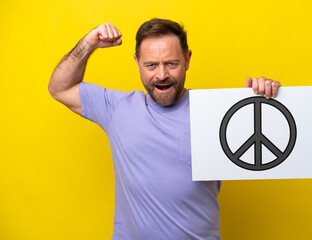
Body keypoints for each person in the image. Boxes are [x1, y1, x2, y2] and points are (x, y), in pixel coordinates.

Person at [48, 19, 281, 240]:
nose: (161, 75)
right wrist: (88, 44)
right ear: (137, 62)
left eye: (171, 63)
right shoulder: (117, 109)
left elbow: (277, 137)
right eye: (151, 65)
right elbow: (60, 88)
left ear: (187, 60)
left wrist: (267, 98)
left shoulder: (217, 113)